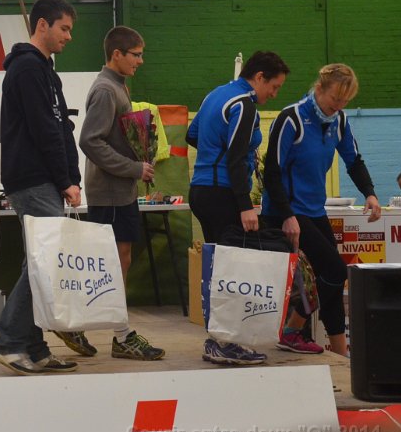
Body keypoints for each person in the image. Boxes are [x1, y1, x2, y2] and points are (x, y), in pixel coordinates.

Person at [0, 0, 83, 376]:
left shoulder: (44, 70)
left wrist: (71, 176)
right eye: (64, 28)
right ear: (42, 25)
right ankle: (9, 343)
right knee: (44, 264)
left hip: (44, 179)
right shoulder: (27, 68)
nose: (69, 36)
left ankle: (34, 347)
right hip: (32, 179)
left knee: (39, 263)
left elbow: (62, 127)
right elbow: (44, 130)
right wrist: (64, 180)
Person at [262, 63, 380, 356]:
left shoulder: (339, 121)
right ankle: (292, 330)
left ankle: (340, 355)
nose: (338, 106)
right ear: (319, 89)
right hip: (285, 211)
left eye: (345, 102)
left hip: (314, 211)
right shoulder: (291, 119)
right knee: (334, 270)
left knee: (334, 280)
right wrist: (287, 215)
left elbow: (354, 161)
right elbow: (272, 171)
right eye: (334, 99)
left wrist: (370, 193)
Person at [65, 25, 165, 361]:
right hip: (109, 193)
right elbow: (89, 141)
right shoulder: (107, 90)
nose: (140, 60)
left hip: (121, 192)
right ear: (116, 54)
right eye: (136, 54)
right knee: (110, 263)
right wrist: (133, 168)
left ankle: (86, 325)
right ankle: (115, 334)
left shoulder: (118, 86)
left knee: (117, 261)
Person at [187, 51, 290, 365]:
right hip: (222, 194)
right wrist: (245, 205)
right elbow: (234, 157)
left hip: (201, 190)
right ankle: (224, 342)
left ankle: (218, 340)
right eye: (274, 86)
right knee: (231, 271)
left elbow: (193, 135)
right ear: (259, 77)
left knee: (220, 268)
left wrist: (213, 155)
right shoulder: (244, 104)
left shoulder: (215, 95)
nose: (274, 94)